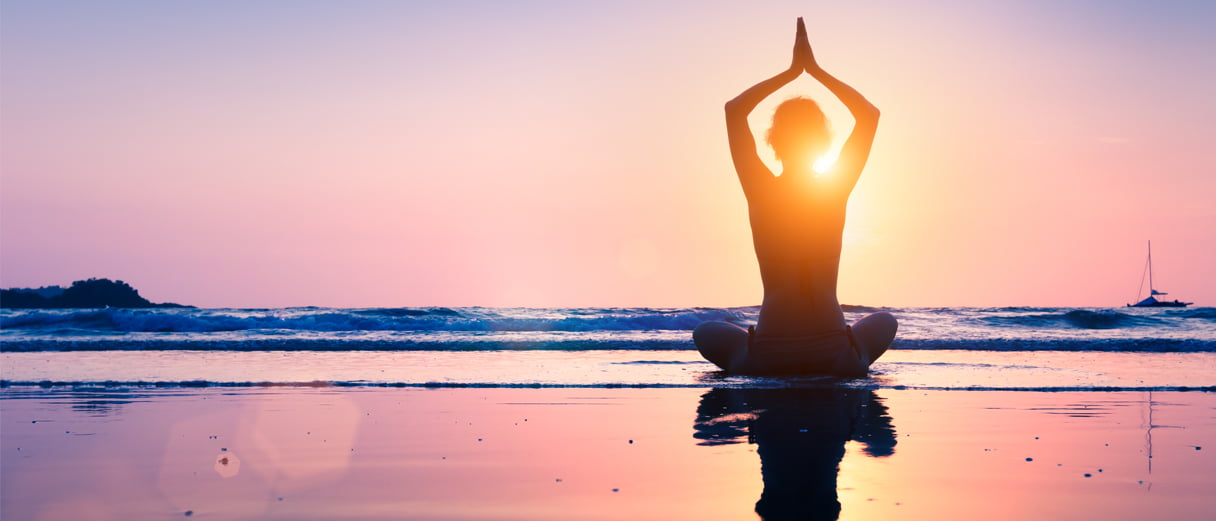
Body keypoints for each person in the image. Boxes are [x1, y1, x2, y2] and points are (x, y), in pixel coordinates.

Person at [693, 17, 897, 376]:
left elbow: (733, 110)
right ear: (823, 143)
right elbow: (869, 115)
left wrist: (791, 73)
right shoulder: (834, 189)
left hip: (769, 355)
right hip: (836, 355)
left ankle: (755, 346)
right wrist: (815, 71)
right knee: (884, 322)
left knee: (705, 330)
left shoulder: (761, 190)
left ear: (773, 141)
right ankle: (852, 351)